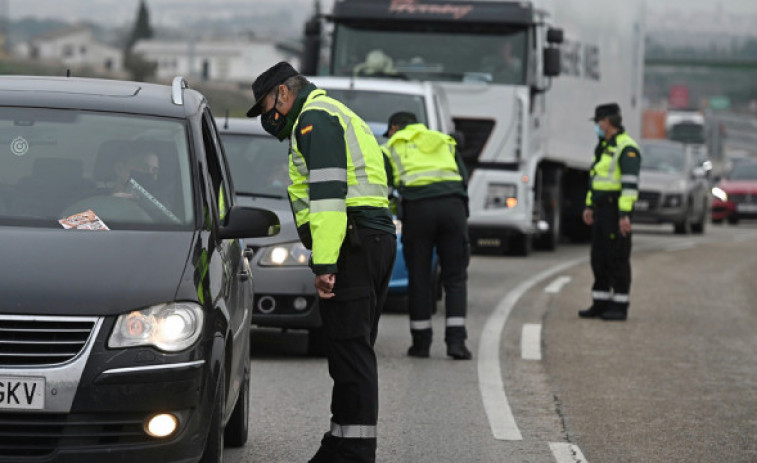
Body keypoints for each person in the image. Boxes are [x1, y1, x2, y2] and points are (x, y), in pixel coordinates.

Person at [246, 62, 396, 463]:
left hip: (353, 243)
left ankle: (355, 451)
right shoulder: (334, 113)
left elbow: (329, 199)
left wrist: (325, 263)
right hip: (371, 238)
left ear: (282, 93)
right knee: (350, 348)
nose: (266, 118)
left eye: (265, 107)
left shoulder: (314, 119)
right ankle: (342, 439)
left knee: (350, 348)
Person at [382, 111, 472, 360]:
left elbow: (385, 191)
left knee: (420, 277)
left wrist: (396, 212)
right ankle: (457, 344)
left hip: (417, 211)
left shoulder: (391, 147)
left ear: (394, 128)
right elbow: (463, 179)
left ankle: (421, 345)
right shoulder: (443, 140)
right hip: (452, 209)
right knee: (455, 277)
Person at [580, 103, 641, 321]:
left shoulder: (627, 148)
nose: (597, 126)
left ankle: (620, 305)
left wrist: (624, 215)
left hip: (616, 210)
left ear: (607, 122)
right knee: (599, 258)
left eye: (599, 121)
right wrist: (589, 206)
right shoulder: (604, 146)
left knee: (617, 258)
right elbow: (595, 179)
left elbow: (629, 185)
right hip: (601, 209)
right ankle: (600, 302)